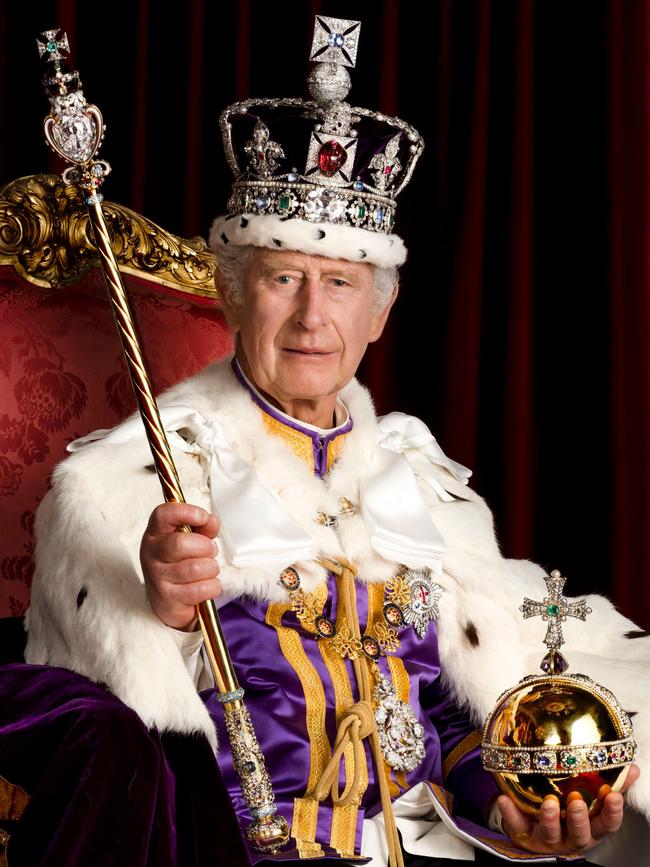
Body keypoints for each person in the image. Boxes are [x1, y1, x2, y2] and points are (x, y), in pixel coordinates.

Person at [22, 14, 650, 867]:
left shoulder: (424, 487)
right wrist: (158, 606)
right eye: (284, 278)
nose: (314, 317)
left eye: (342, 284)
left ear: (380, 311)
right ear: (232, 294)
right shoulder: (125, 482)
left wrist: (517, 807)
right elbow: (96, 733)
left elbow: (450, 727)